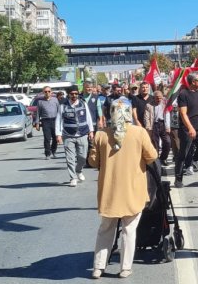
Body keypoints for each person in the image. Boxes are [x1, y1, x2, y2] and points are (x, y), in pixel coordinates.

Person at [88, 99, 158, 279]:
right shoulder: (139, 132)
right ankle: (125, 268)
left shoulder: (101, 135)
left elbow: (93, 162)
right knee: (129, 230)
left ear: (111, 112)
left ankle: (98, 267)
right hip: (133, 190)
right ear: (128, 112)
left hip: (109, 191)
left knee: (105, 229)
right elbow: (152, 156)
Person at [55, 88, 94, 187]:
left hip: (82, 134)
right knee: (70, 158)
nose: (74, 95)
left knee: (83, 157)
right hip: (68, 135)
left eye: (76, 93)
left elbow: (88, 117)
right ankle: (73, 177)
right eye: (72, 94)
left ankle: (79, 170)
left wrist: (91, 131)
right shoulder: (63, 106)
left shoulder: (83, 104)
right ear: (68, 95)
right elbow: (58, 120)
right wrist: (58, 134)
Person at [34, 87, 61, 159]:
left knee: (55, 138)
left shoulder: (55, 100)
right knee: (47, 138)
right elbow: (38, 113)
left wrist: (61, 122)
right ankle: (47, 154)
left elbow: (59, 111)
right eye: (45, 91)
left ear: (51, 92)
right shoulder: (40, 102)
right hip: (45, 121)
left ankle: (53, 151)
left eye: (49, 91)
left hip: (55, 120)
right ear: (43, 92)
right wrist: (37, 123)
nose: (47, 93)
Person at [151, 90, 172, 165]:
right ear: (154, 98)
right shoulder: (150, 104)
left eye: (160, 98)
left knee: (167, 142)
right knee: (155, 144)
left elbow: (167, 114)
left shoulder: (165, 103)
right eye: (157, 98)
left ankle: (163, 158)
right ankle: (157, 161)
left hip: (163, 124)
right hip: (154, 125)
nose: (159, 99)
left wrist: (168, 126)